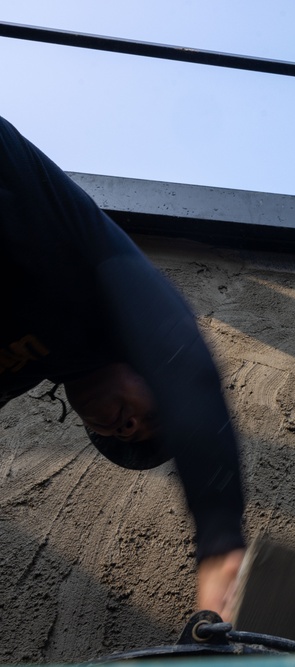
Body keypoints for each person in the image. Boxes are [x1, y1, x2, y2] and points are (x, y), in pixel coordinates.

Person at [0, 114, 245, 618]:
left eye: (125, 435)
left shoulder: (21, 366)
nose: (128, 424)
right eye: (151, 417)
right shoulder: (97, 282)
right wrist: (220, 546)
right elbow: (186, 365)